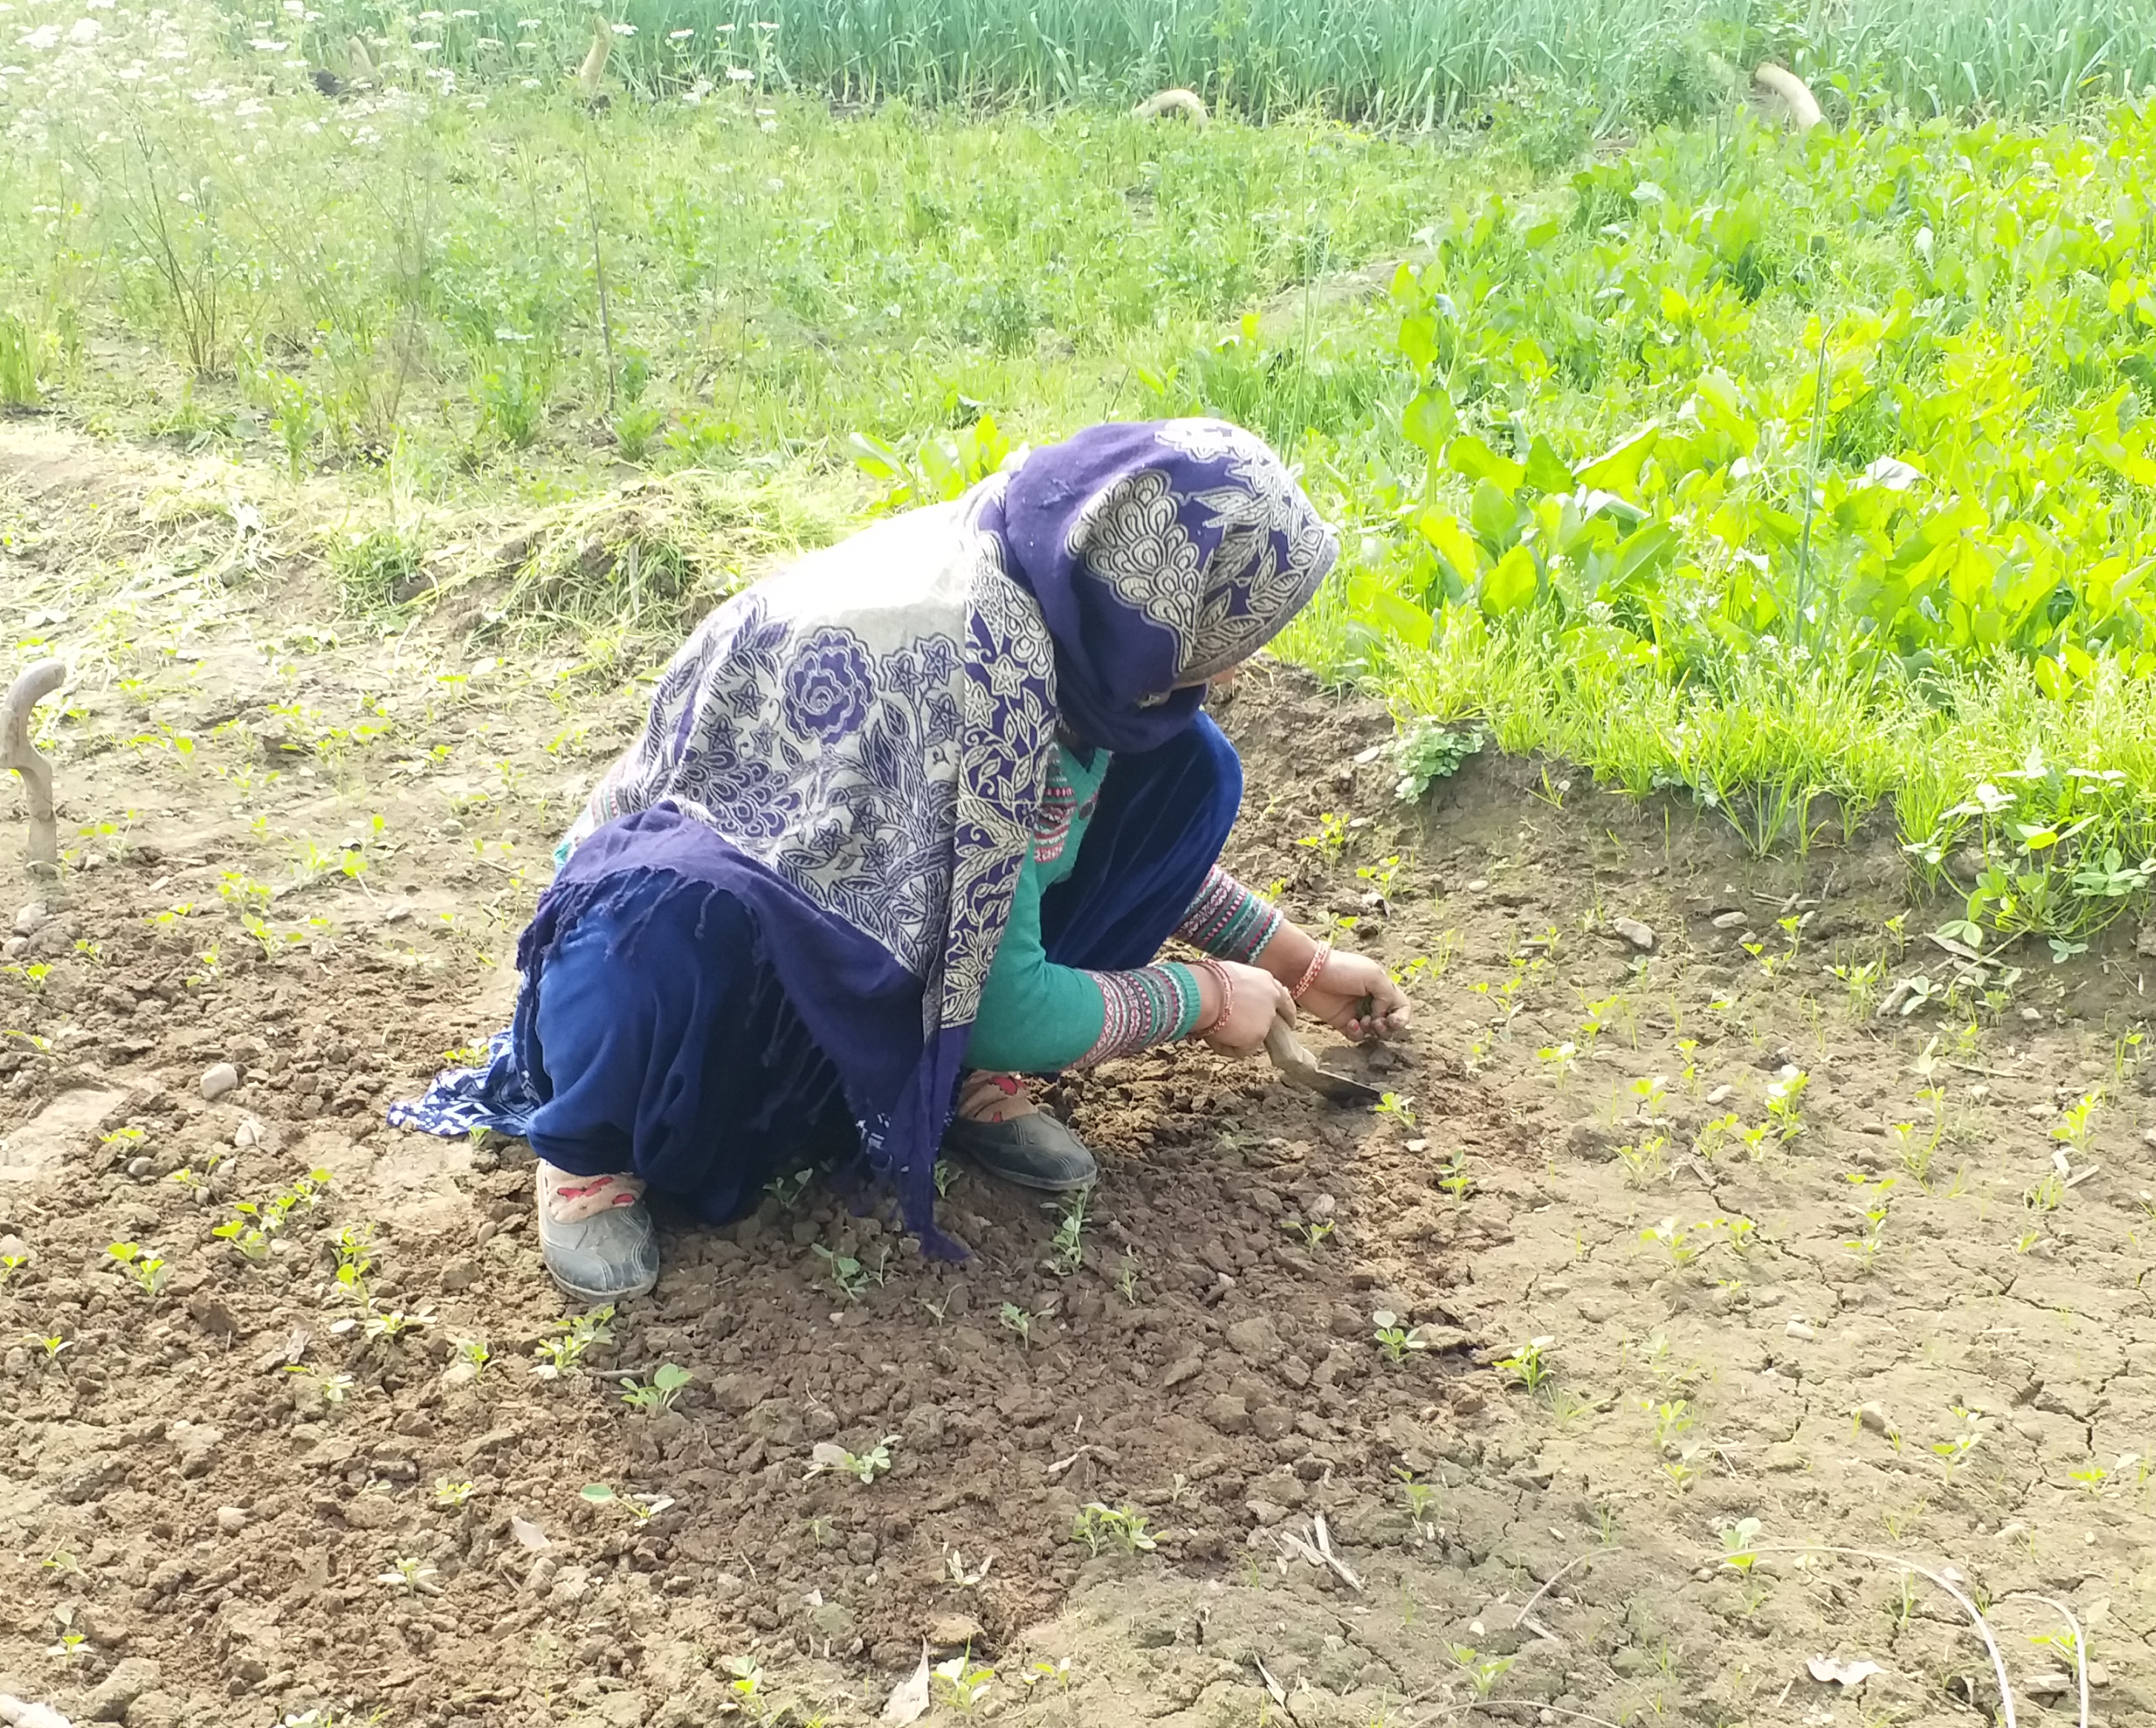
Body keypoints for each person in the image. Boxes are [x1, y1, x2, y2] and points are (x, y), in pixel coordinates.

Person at [393, 418, 1412, 1302]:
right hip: (728, 921)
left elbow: (1070, 842)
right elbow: (1014, 988)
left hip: (890, 894)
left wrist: (1299, 966)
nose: (1243, 663)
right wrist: (1201, 997)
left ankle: (948, 1067)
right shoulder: (991, 684)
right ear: (1160, 610)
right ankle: (591, 1143)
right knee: (666, 938)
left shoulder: (1074, 612)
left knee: (1189, 768)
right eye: (1238, 633)